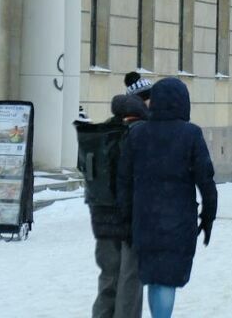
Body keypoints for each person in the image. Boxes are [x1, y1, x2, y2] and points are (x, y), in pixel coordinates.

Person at [118, 78, 217, 318]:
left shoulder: (138, 133)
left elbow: (124, 179)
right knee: (167, 279)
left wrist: (125, 218)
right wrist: (208, 215)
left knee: (153, 277)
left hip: (145, 218)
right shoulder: (191, 134)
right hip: (179, 219)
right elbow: (206, 179)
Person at [78, 93, 147, 318]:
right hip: (128, 215)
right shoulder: (136, 135)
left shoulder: (99, 134)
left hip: (100, 214)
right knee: (131, 277)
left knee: (108, 275)